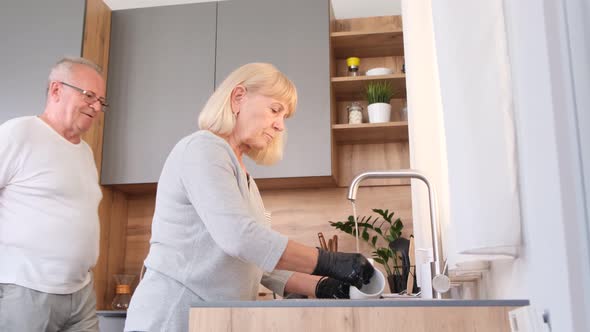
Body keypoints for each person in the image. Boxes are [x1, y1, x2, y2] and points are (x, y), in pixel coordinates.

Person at [124, 63, 375, 332]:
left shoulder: (244, 179)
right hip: (173, 314)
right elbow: (241, 238)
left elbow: (258, 260)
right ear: (238, 97)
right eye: (275, 110)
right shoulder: (203, 149)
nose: (280, 125)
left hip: (212, 318)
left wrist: (323, 286)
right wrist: (331, 262)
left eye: (284, 117)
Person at [0, 57, 108, 332]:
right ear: (56, 90)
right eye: (89, 96)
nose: (96, 107)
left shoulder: (85, 152)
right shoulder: (18, 133)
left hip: (80, 293)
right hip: (25, 290)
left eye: (101, 101)